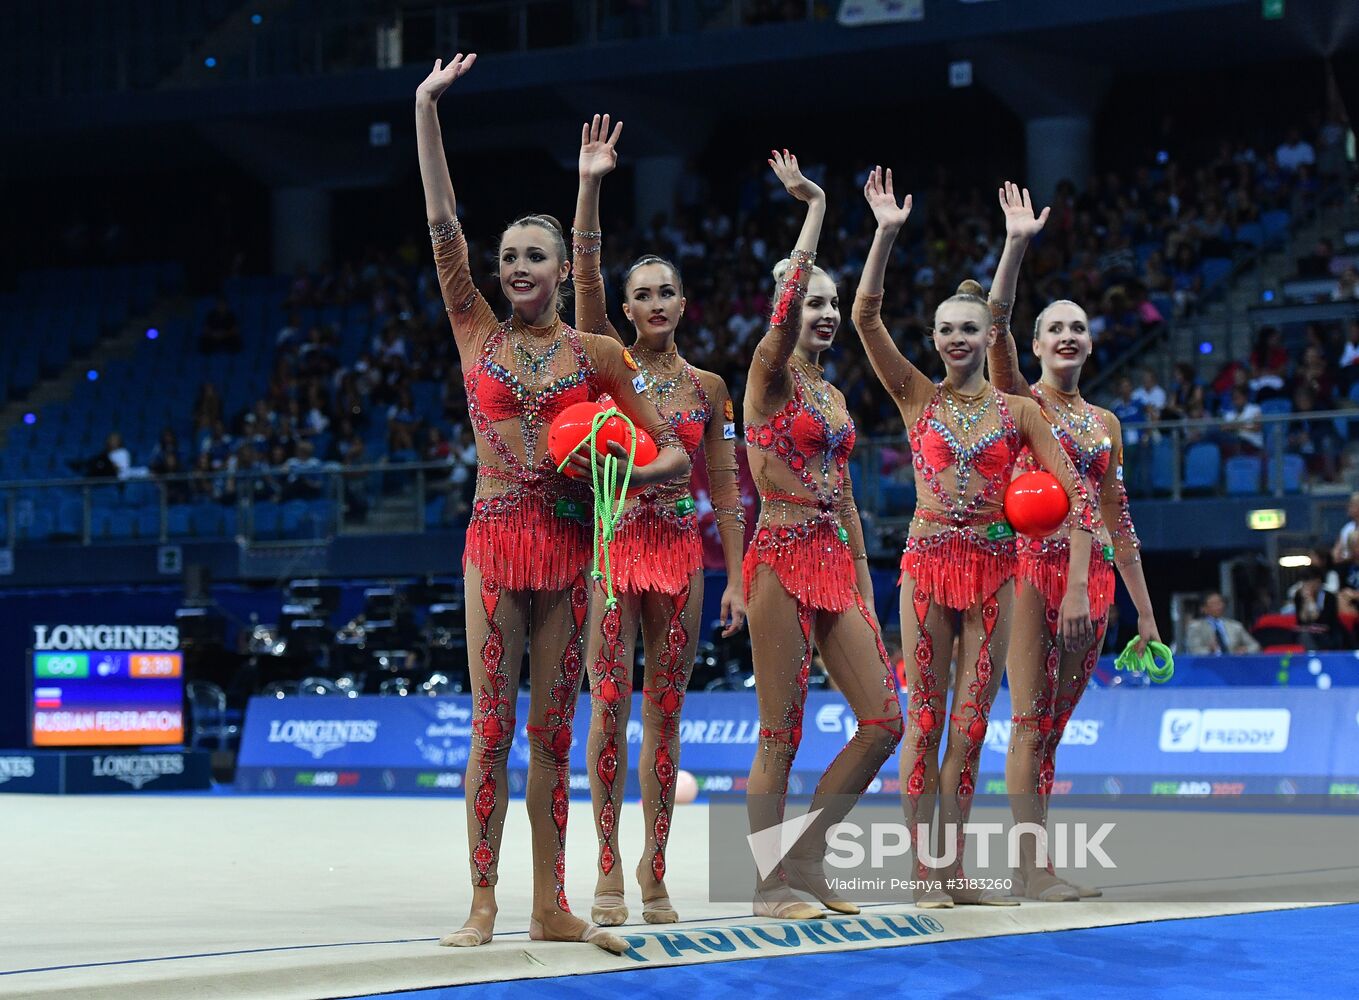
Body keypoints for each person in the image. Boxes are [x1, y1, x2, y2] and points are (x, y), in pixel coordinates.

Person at [416, 54, 689, 954]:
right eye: (508, 257)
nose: (518, 266)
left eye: (535, 255)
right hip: (494, 545)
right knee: (490, 730)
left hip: (571, 548)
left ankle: (551, 905)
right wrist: (426, 109)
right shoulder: (474, 329)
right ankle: (483, 903)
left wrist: (611, 473)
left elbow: (675, 451)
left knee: (549, 738)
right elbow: (441, 221)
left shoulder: (599, 353)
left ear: (556, 270)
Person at [852, 169, 1097, 909]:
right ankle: (926, 875)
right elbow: (865, 319)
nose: (958, 339)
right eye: (947, 330)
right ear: (932, 340)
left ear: (986, 336)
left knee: (969, 726)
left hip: (996, 571)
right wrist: (884, 234)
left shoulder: (1019, 412)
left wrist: (1081, 578)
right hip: (927, 567)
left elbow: (1079, 494)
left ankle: (955, 873)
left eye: (970, 329)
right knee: (923, 723)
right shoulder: (912, 394)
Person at [571, 115, 748, 927]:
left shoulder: (710, 388)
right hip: (612, 548)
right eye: (638, 294)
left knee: (664, 714)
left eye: (663, 292)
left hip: (680, 553)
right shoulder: (603, 364)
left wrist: (739, 578)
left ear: (683, 302)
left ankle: (655, 872)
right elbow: (580, 282)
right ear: (628, 307)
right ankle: (607, 868)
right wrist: (592, 183)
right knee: (608, 703)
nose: (651, 304)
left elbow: (725, 485)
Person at [985, 182, 1164, 901]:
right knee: (1029, 721)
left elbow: (1119, 521)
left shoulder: (1107, 423)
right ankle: (1029, 871)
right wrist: (1016, 245)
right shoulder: (1017, 401)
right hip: (1032, 576)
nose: (1066, 336)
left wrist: (1144, 612)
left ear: (1090, 343)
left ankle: (1038, 865)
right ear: (1034, 345)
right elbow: (992, 327)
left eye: (1077, 328)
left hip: (1091, 589)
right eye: (1053, 327)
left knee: (1051, 729)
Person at [743, 151, 903, 921]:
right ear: (785, 308)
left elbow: (843, 497)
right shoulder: (766, 376)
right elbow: (777, 323)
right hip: (778, 558)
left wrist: (868, 596)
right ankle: (768, 883)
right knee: (780, 731)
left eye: (832, 303)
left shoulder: (833, 393)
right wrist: (813, 206)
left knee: (884, 722)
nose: (825, 313)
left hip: (836, 563)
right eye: (811, 302)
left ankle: (803, 856)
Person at [1183, 593, 1261, 655]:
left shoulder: (1236, 626)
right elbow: (1193, 650)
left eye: (1220, 603)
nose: (1218, 606)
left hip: (1234, 664)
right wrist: (1209, 650)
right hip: (1208, 666)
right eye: (1214, 603)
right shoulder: (1196, 627)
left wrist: (1245, 650)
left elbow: (1255, 646)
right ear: (1204, 608)